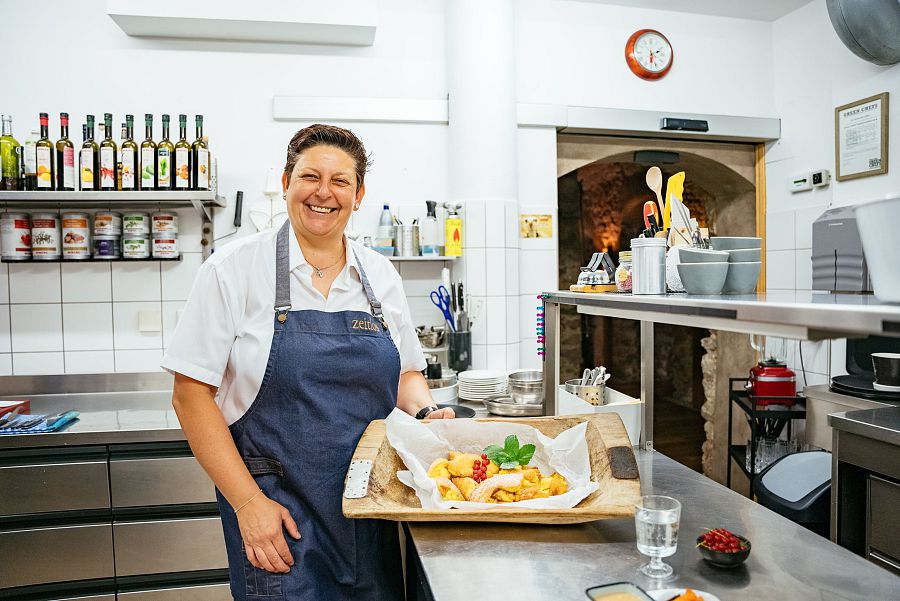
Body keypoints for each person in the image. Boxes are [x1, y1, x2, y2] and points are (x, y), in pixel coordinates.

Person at [161, 123, 454, 601]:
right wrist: (248, 504)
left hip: (372, 509)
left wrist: (425, 411)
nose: (324, 192)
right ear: (286, 184)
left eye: (340, 181)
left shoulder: (379, 274)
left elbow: (405, 373)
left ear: (358, 195)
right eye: (310, 176)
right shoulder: (232, 269)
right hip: (277, 516)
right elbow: (190, 396)